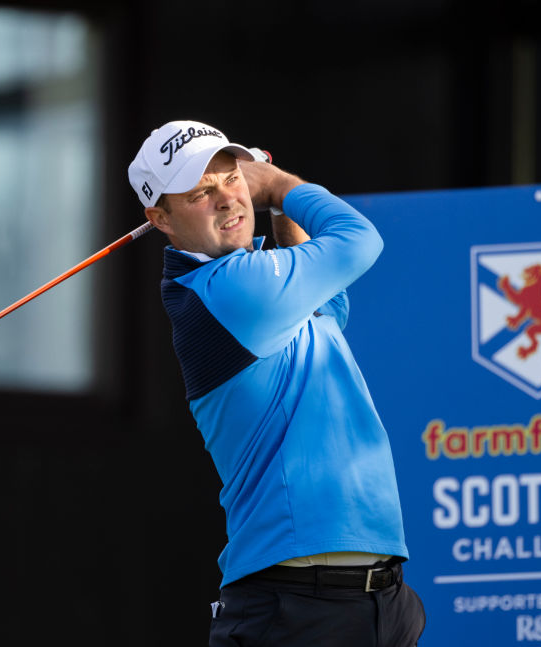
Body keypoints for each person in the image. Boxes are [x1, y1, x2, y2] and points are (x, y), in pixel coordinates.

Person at [128, 120, 425, 646]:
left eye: (231, 178)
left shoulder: (255, 281)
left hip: (377, 598)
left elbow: (329, 307)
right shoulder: (228, 290)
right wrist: (278, 186)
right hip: (296, 605)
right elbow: (360, 241)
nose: (227, 199)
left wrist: (278, 207)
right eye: (201, 192)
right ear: (160, 219)